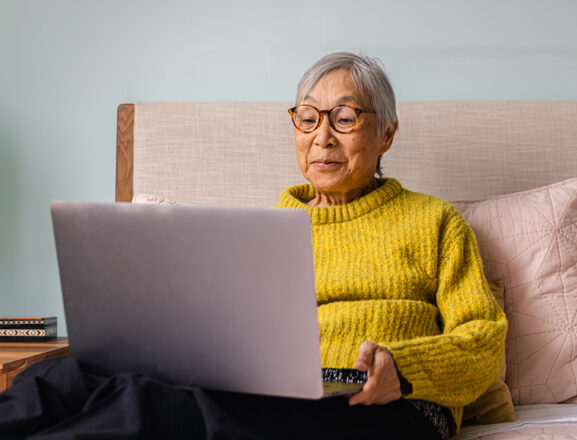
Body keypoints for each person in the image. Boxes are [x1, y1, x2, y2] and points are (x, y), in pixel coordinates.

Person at [0, 52, 506, 440]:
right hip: (273, 389)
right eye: (308, 119)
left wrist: (404, 370)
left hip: (385, 407)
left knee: (147, 403)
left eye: (345, 118)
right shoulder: (267, 229)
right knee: (62, 375)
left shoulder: (434, 221)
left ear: (387, 134)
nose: (323, 137)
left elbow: (485, 342)